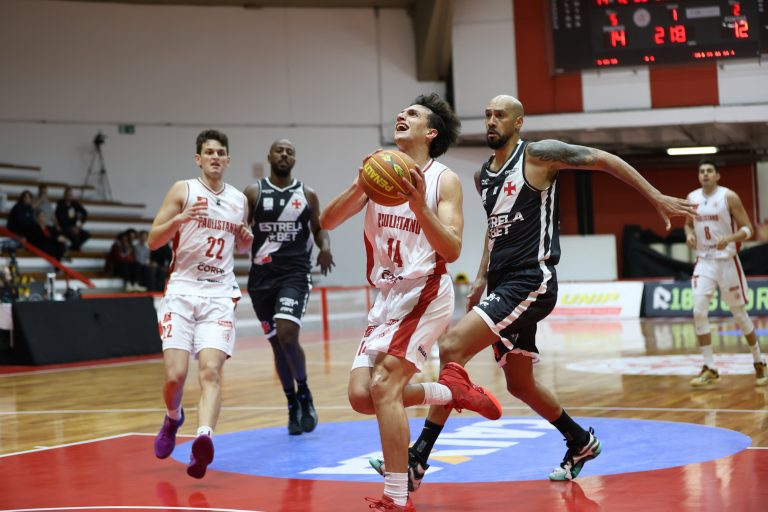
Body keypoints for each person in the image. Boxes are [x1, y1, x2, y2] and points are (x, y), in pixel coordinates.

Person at [399, 94, 698, 488]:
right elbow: (494, 230)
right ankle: (580, 441)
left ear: (518, 122)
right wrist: (481, 277)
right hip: (502, 283)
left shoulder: (539, 155)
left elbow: (604, 159)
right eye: (487, 115)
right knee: (520, 384)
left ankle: (417, 458)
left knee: (453, 348)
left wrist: (654, 196)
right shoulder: (482, 175)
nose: (491, 121)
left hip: (531, 279)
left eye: (500, 115)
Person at [320, 93, 502, 512]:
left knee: (384, 386)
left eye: (414, 114)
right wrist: (359, 184)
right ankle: (450, 390)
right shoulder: (379, 174)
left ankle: (397, 497)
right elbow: (327, 221)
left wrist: (420, 206)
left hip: (425, 291)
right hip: (387, 296)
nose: (402, 114)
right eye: (403, 112)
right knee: (362, 397)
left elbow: (452, 249)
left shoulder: (443, 180)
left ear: (431, 132)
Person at [149, 129, 253, 479]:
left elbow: (241, 247)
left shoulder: (239, 200)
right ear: (198, 158)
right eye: (209, 152)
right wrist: (179, 220)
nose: (215, 157)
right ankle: (173, 417)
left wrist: (245, 239)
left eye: (220, 153)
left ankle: (203, 439)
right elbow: (153, 240)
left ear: (228, 160)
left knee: (210, 371)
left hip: (219, 294)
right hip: (182, 291)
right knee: (175, 376)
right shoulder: (183, 190)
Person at [244, 139, 335, 436]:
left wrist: (325, 248)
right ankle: (291, 402)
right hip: (261, 279)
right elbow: (240, 229)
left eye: (290, 152)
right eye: (279, 150)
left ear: (294, 159)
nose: (284, 155)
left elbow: (319, 230)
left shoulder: (307, 194)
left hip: (295, 274)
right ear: (269, 156)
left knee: (287, 333)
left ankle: (305, 392)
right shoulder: (253, 192)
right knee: (276, 344)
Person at [685, 159, 767, 387]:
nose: (705, 174)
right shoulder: (692, 198)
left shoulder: (728, 196)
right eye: (702, 171)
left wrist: (730, 238)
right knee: (698, 311)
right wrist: (689, 234)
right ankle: (710, 367)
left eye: (709, 171)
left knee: (739, 315)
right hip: (704, 261)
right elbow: (688, 224)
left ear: (717, 175)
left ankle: (759, 361)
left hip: (727, 262)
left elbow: (748, 229)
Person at [55, 186, 90, 250]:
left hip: (74, 227)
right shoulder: (60, 204)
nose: (70, 196)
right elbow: (58, 217)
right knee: (75, 237)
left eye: (71, 195)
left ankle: (73, 247)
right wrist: (70, 228)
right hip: (64, 227)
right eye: (68, 195)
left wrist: (79, 226)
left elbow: (84, 213)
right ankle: (75, 248)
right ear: (65, 195)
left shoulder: (75, 203)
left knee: (87, 235)